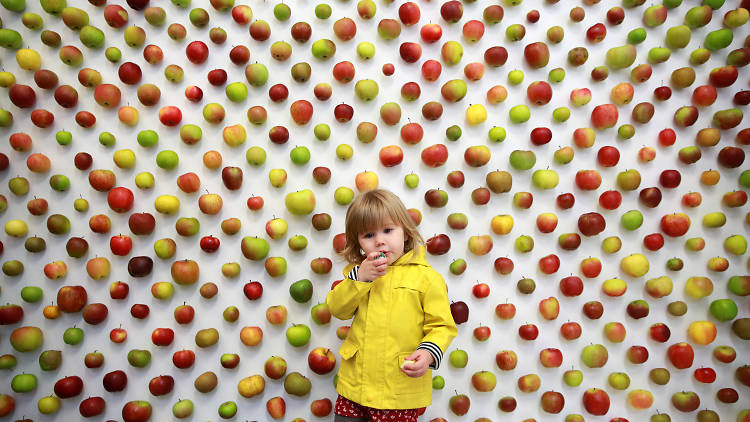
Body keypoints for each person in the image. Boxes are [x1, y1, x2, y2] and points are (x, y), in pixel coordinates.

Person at [326, 189, 457, 422]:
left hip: (398, 390)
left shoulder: (427, 278)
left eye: (388, 230)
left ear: (405, 233)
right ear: (358, 242)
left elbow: (442, 326)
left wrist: (428, 353)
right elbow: (337, 309)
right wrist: (359, 279)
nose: (379, 240)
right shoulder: (357, 275)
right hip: (355, 385)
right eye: (368, 235)